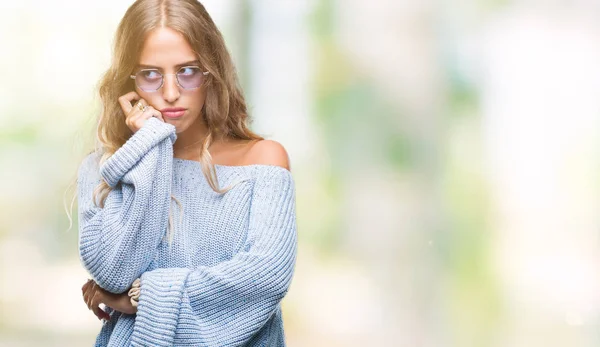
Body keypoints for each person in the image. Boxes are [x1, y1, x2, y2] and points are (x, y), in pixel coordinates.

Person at [76, 0, 298, 346]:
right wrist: (150, 147)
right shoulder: (106, 169)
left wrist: (140, 298)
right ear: (128, 81)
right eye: (150, 74)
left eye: (188, 70)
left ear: (212, 72)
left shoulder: (264, 161)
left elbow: (264, 279)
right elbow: (114, 271)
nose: (170, 93)